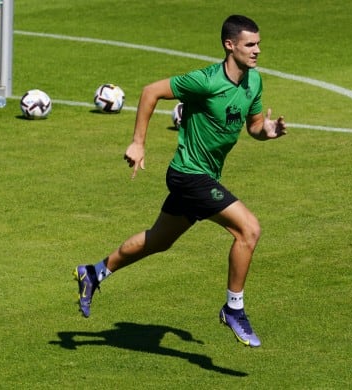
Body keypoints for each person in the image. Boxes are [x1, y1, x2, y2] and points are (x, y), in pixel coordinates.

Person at [74, 14, 286, 348]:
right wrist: (139, 142)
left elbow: (255, 125)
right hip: (189, 175)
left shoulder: (254, 81)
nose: (257, 50)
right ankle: (234, 309)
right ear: (230, 45)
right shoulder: (205, 80)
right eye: (250, 44)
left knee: (159, 240)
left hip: (205, 175)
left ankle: (94, 272)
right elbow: (150, 92)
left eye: (258, 43)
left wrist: (267, 132)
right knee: (249, 230)